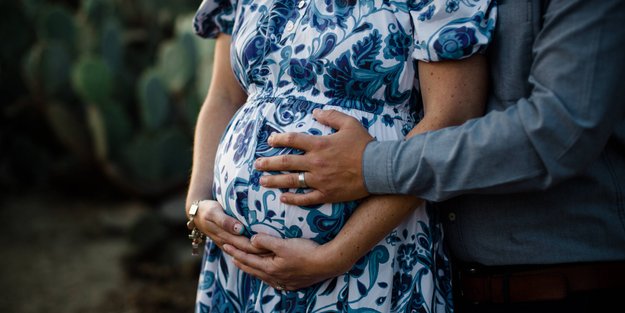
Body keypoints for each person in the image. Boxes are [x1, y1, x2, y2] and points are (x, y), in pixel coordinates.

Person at [209, 0, 625, 312]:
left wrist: (370, 168)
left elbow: (558, 133)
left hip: (559, 279)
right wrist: (200, 207)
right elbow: (224, 95)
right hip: (453, 275)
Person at [185, 0, 497, 312]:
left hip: (370, 256)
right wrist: (197, 202)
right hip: (238, 266)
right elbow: (224, 96)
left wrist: (335, 256)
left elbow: (453, 119)